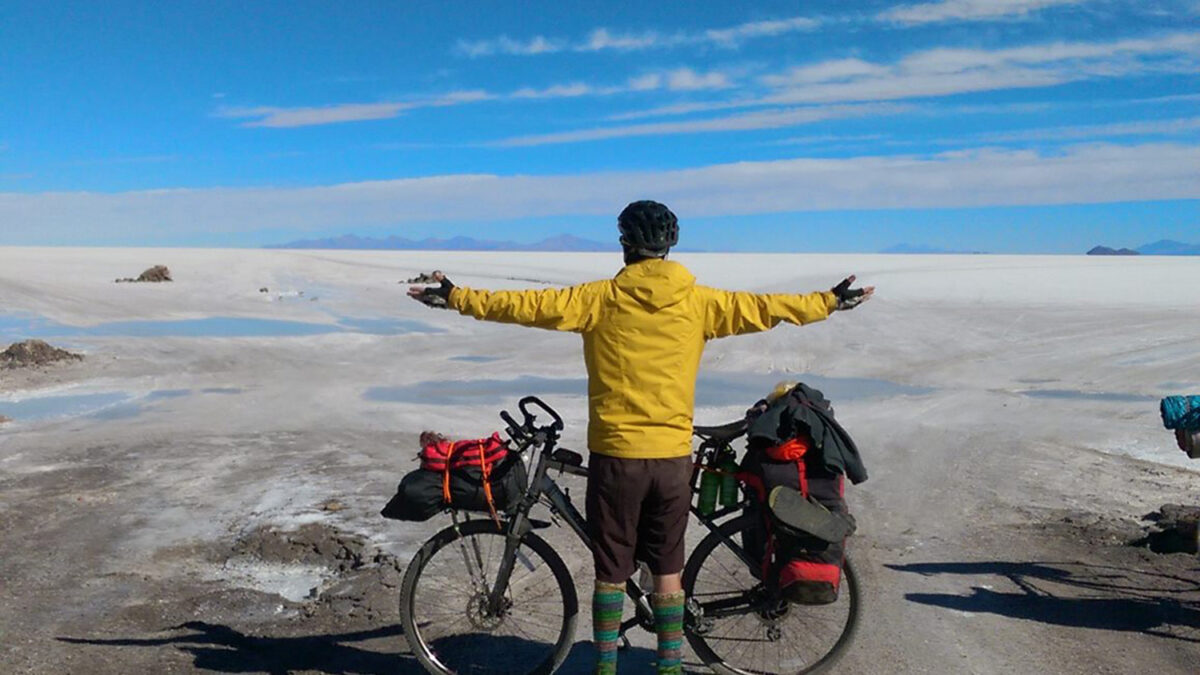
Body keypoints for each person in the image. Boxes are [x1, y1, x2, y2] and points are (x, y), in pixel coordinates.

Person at [409, 200, 873, 675]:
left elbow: (523, 306)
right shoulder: (701, 302)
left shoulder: (598, 298)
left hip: (616, 460)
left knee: (611, 575)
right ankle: (669, 670)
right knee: (668, 573)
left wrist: (455, 295)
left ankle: (607, 669)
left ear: (625, 245)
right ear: (669, 247)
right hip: (673, 460)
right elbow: (768, 309)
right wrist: (830, 301)